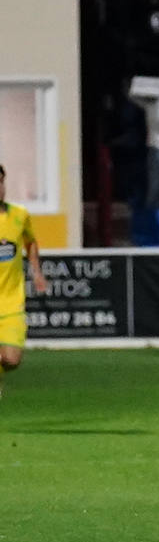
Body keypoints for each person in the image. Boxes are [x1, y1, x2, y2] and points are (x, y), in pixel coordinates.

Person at [0, 165, 48, 399]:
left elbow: (31, 241)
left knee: (11, 360)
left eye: (0, 182)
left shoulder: (19, 215)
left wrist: (36, 271)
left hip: (11, 304)